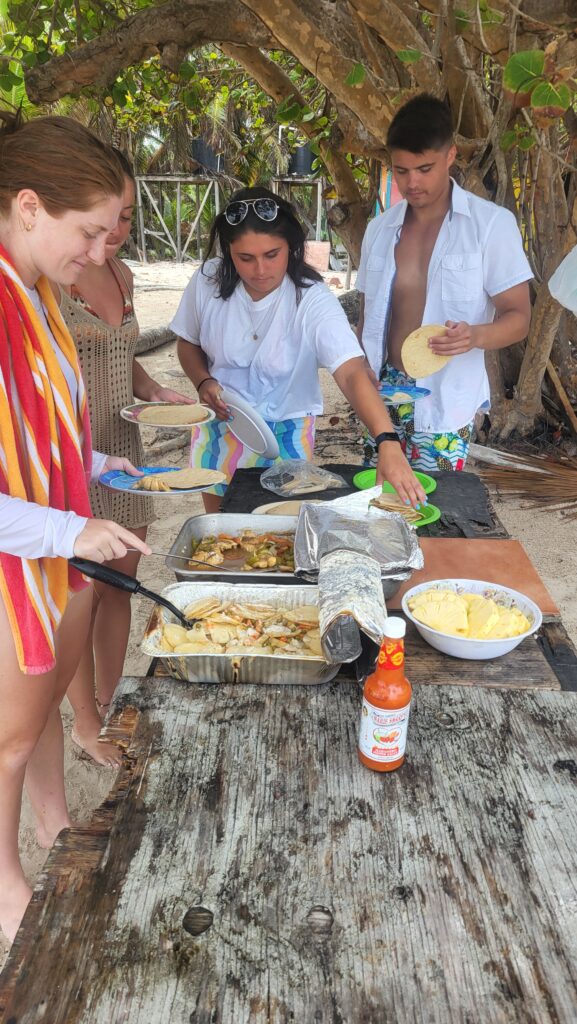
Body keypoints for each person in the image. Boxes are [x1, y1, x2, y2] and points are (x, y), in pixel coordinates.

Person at [0, 110, 150, 944]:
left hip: (46, 549)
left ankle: (55, 833)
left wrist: (93, 472)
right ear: (29, 206)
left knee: (49, 706)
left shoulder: (39, 298)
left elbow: (38, 429)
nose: (101, 252)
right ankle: (5, 886)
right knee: (7, 743)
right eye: (89, 231)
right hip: (17, 560)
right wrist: (69, 531)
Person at [53, 151, 191, 766]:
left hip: (124, 451)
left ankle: (111, 700)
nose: (115, 235)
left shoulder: (126, 276)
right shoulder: (54, 278)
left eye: (128, 218)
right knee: (79, 589)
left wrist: (154, 391)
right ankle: (84, 722)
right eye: (105, 221)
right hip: (70, 458)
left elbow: (121, 353)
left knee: (122, 587)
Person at [171, 186, 425, 513]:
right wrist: (203, 382)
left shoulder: (311, 298)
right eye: (245, 258)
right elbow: (187, 342)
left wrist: (387, 440)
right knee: (223, 526)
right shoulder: (208, 281)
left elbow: (350, 373)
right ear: (228, 250)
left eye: (271, 255)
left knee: (279, 530)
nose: (260, 270)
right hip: (222, 423)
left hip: (287, 428)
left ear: (291, 247)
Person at [356, 93, 532, 471]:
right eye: (401, 171)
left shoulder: (490, 225)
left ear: (451, 155)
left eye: (424, 168)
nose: (412, 182)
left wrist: (475, 336)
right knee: (377, 508)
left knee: (436, 512)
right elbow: (367, 316)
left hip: (444, 397)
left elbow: (519, 316)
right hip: (381, 392)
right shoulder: (379, 229)